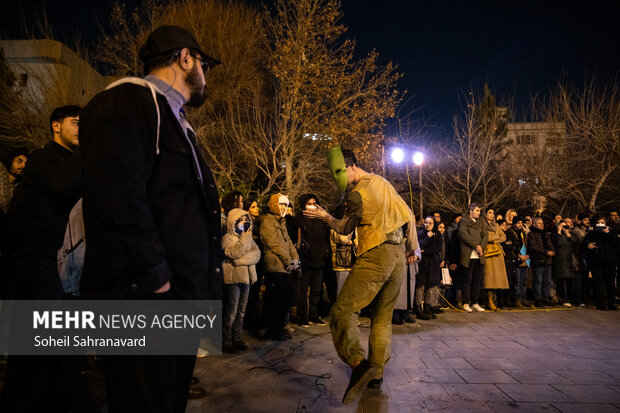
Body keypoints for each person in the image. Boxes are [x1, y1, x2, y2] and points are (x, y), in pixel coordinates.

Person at [79, 26, 223, 413]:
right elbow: (117, 198)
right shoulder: (128, 100)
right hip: (141, 304)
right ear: (185, 58)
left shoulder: (174, 118)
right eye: (204, 64)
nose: (206, 76)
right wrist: (157, 281)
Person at [304, 146, 417, 403]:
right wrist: (413, 247)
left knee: (342, 311)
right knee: (381, 318)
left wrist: (324, 216)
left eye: (338, 172)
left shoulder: (357, 194)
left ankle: (358, 365)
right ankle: (376, 374)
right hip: (398, 256)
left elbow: (344, 229)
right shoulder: (383, 182)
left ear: (350, 167)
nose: (337, 179)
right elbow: (408, 214)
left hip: (377, 255)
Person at [1, 105, 82, 412]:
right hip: (42, 266)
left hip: (73, 268)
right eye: (76, 123)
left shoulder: (78, 164)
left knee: (69, 354)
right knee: (33, 354)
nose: (81, 128)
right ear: (56, 126)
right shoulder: (40, 160)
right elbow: (61, 184)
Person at [260, 193, 300, 340]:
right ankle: (271, 329)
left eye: (285, 204)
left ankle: (278, 328)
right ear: (274, 204)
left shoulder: (281, 222)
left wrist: (295, 259)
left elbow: (288, 242)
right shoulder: (267, 221)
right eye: (281, 204)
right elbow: (274, 244)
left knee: (284, 300)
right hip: (275, 266)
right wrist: (288, 260)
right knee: (274, 300)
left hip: (285, 267)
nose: (284, 207)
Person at [222, 208, 260, 353]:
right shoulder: (228, 238)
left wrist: (240, 261)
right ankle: (226, 340)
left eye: (246, 220)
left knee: (242, 311)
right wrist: (244, 239)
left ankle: (237, 338)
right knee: (232, 311)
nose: (245, 223)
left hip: (247, 278)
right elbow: (234, 253)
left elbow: (256, 254)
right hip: (234, 279)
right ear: (234, 222)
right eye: (242, 220)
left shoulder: (247, 237)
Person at [295, 194, 330, 326]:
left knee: (317, 290)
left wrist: (325, 251)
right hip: (305, 260)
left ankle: (314, 315)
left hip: (319, 260)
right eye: (309, 203)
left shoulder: (321, 220)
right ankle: (302, 316)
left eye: (314, 203)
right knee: (303, 291)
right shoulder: (299, 219)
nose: (312, 206)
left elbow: (326, 237)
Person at [457, 203, 488, 312]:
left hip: (479, 255)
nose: (479, 213)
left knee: (477, 280)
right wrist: (476, 245)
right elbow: (464, 235)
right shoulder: (463, 221)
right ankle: (466, 302)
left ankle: (475, 302)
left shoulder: (480, 222)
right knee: (467, 280)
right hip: (468, 255)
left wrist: (481, 247)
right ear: (470, 211)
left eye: (479, 211)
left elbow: (486, 235)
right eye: (477, 210)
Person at [584, 216, 619, 310]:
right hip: (597, 262)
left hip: (609, 261)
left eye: (603, 222)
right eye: (599, 222)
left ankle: (612, 303)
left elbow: (616, 243)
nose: (601, 224)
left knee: (610, 283)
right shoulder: (591, 234)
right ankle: (601, 303)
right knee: (598, 283)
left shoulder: (611, 232)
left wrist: (609, 234)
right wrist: (588, 245)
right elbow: (585, 244)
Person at [415, 216, 442, 320]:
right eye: (426, 222)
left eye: (430, 223)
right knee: (420, 287)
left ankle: (427, 308)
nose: (428, 224)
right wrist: (428, 238)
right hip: (423, 264)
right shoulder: (420, 233)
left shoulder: (438, 234)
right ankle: (418, 309)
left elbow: (438, 248)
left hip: (433, 264)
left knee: (430, 288)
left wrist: (426, 251)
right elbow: (420, 246)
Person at [482, 208, 509, 311]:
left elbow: (504, 237)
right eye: (489, 213)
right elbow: (486, 237)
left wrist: (494, 237)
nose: (492, 215)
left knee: (497, 279)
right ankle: (489, 300)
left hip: (497, 254)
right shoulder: (482, 225)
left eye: (493, 213)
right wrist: (496, 237)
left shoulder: (496, 225)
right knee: (489, 279)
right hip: (488, 254)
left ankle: (493, 300)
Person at [528, 217, 555, 307]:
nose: (542, 225)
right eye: (539, 223)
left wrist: (552, 251)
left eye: (542, 223)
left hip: (548, 260)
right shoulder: (532, 234)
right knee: (538, 281)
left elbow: (550, 243)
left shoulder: (546, 233)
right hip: (539, 260)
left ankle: (545, 298)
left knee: (547, 281)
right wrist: (546, 252)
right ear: (534, 224)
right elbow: (534, 246)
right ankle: (538, 299)